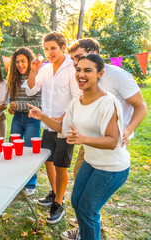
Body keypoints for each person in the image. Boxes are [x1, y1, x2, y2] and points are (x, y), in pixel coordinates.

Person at [28, 54, 130, 240]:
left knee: (88, 209)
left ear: (100, 74)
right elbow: (62, 128)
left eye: (88, 70)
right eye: (78, 69)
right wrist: (41, 116)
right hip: (91, 162)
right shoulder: (76, 102)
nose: (81, 74)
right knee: (76, 201)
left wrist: (83, 138)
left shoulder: (108, 103)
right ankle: (84, 234)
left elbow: (113, 140)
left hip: (112, 168)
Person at [63, 38, 147, 231]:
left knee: (89, 204)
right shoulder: (82, 76)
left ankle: (88, 225)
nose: (75, 64)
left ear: (94, 52)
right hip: (88, 140)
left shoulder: (118, 76)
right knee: (80, 196)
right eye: (74, 60)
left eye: (78, 57)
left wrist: (127, 130)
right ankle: (86, 226)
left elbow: (141, 107)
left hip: (110, 143)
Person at [26, 32, 82, 223]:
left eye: (53, 48)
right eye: (46, 49)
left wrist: (64, 117)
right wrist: (33, 70)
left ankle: (59, 203)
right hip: (47, 123)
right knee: (48, 161)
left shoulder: (71, 69)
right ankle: (55, 193)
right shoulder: (45, 69)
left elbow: (77, 98)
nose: (49, 52)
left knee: (60, 165)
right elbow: (31, 89)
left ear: (63, 47)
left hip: (65, 126)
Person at [7, 47, 42, 195]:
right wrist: (11, 106)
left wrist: (18, 105)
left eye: (23, 61)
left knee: (29, 152)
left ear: (29, 61)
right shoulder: (14, 78)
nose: (20, 65)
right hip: (17, 118)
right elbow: (12, 98)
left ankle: (30, 183)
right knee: (13, 149)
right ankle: (15, 180)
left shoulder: (37, 77)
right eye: (17, 62)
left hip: (32, 119)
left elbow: (39, 101)